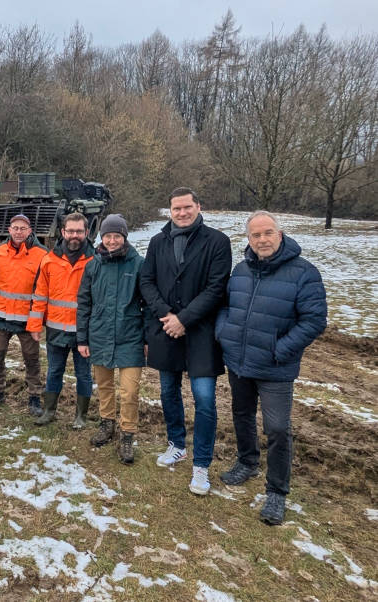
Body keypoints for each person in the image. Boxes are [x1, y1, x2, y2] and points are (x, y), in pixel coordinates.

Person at [216, 211, 326, 524]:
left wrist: (280, 349)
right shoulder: (241, 270)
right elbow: (225, 306)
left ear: (280, 234)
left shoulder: (304, 273)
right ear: (248, 239)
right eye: (256, 235)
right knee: (241, 414)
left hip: (276, 367)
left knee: (277, 428)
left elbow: (314, 320)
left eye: (268, 233)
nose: (262, 240)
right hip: (239, 361)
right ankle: (247, 462)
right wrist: (223, 333)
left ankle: (277, 490)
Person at [139, 188, 232, 495]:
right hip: (166, 330)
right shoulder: (158, 242)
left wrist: (184, 319)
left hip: (201, 334)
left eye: (187, 207)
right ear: (170, 210)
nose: (182, 213)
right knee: (168, 391)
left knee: (204, 399)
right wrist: (166, 314)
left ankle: (201, 464)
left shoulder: (217, 242)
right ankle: (176, 444)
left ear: (198, 207)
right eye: (176, 208)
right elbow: (147, 281)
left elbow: (216, 288)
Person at [74, 215, 146, 463]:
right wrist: (82, 339)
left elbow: (148, 304)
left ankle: (127, 434)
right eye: (108, 236)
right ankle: (107, 423)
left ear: (124, 237)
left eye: (117, 236)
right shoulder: (93, 266)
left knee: (129, 391)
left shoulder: (138, 264)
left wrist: (148, 339)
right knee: (104, 386)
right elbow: (84, 303)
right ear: (101, 238)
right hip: (100, 335)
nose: (112, 241)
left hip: (131, 337)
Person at [28, 212, 95, 428]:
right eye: (70, 231)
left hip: (84, 332)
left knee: (83, 374)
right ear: (63, 232)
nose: (74, 235)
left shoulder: (95, 261)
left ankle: (81, 416)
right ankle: (49, 411)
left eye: (79, 231)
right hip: (56, 330)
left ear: (87, 232)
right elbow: (40, 296)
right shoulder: (49, 260)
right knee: (54, 371)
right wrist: (35, 325)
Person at [0, 214, 47, 414]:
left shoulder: (41, 255)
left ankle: (34, 396)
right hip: (0, 317)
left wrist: (38, 319)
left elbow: (44, 289)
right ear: (9, 230)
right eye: (15, 228)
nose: (19, 232)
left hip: (27, 320)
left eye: (23, 228)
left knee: (32, 359)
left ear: (30, 231)